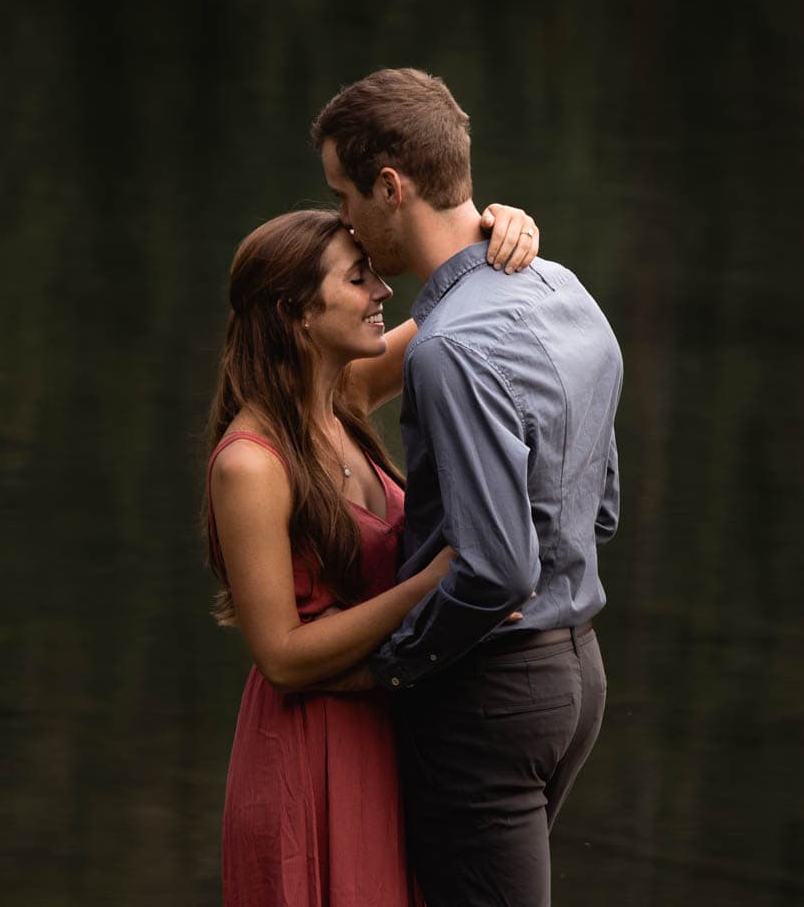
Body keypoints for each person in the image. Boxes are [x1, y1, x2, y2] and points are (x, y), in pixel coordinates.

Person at [310, 68, 623, 906]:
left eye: (344, 194)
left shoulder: (449, 349)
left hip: (487, 697)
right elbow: (602, 507)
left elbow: (494, 570)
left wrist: (392, 671)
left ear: (389, 186)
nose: (342, 217)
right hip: (577, 676)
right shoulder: (567, 291)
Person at [205, 203, 541, 906]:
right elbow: (282, 657)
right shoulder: (251, 465)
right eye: (358, 279)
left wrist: (503, 230)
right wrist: (434, 586)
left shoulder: (342, 396)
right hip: (308, 751)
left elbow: (461, 300)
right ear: (294, 311)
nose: (384, 291)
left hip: (390, 729)